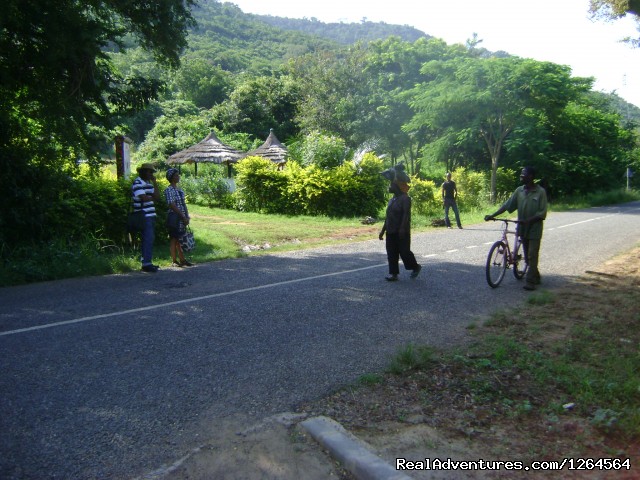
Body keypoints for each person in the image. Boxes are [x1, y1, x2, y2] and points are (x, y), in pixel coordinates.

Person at [485, 166, 548, 290]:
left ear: (530, 176)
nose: (521, 176)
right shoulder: (519, 191)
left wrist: (528, 221)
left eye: (523, 174)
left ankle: (530, 281)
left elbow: (542, 214)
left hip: (534, 229)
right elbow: (507, 205)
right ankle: (536, 275)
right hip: (522, 228)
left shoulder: (540, 192)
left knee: (532, 254)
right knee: (527, 254)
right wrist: (493, 215)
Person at [379, 164, 422, 281]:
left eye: (391, 184)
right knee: (391, 253)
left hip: (401, 231)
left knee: (404, 252)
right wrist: (383, 230)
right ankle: (394, 274)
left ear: (397, 186)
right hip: (391, 230)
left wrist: (402, 229)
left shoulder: (405, 199)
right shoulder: (391, 200)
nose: (389, 186)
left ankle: (415, 267)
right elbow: (388, 216)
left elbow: (405, 214)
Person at [132, 163, 160, 273]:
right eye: (149, 172)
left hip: (151, 214)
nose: (151, 174)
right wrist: (151, 197)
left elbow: (157, 197)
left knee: (149, 238)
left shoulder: (149, 183)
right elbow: (144, 198)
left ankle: (147, 261)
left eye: (152, 172)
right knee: (148, 238)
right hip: (143, 214)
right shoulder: (137, 183)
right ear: (143, 172)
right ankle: (146, 264)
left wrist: (155, 182)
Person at [164, 168, 193, 267]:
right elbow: (172, 204)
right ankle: (174, 260)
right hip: (174, 218)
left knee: (180, 238)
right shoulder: (169, 190)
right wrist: (182, 216)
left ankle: (182, 259)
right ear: (171, 178)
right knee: (173, 238)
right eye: (176, 175)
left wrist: (187, 216)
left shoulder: (179, 190)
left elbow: (183, 204)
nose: (178, 177)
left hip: (182, 218)